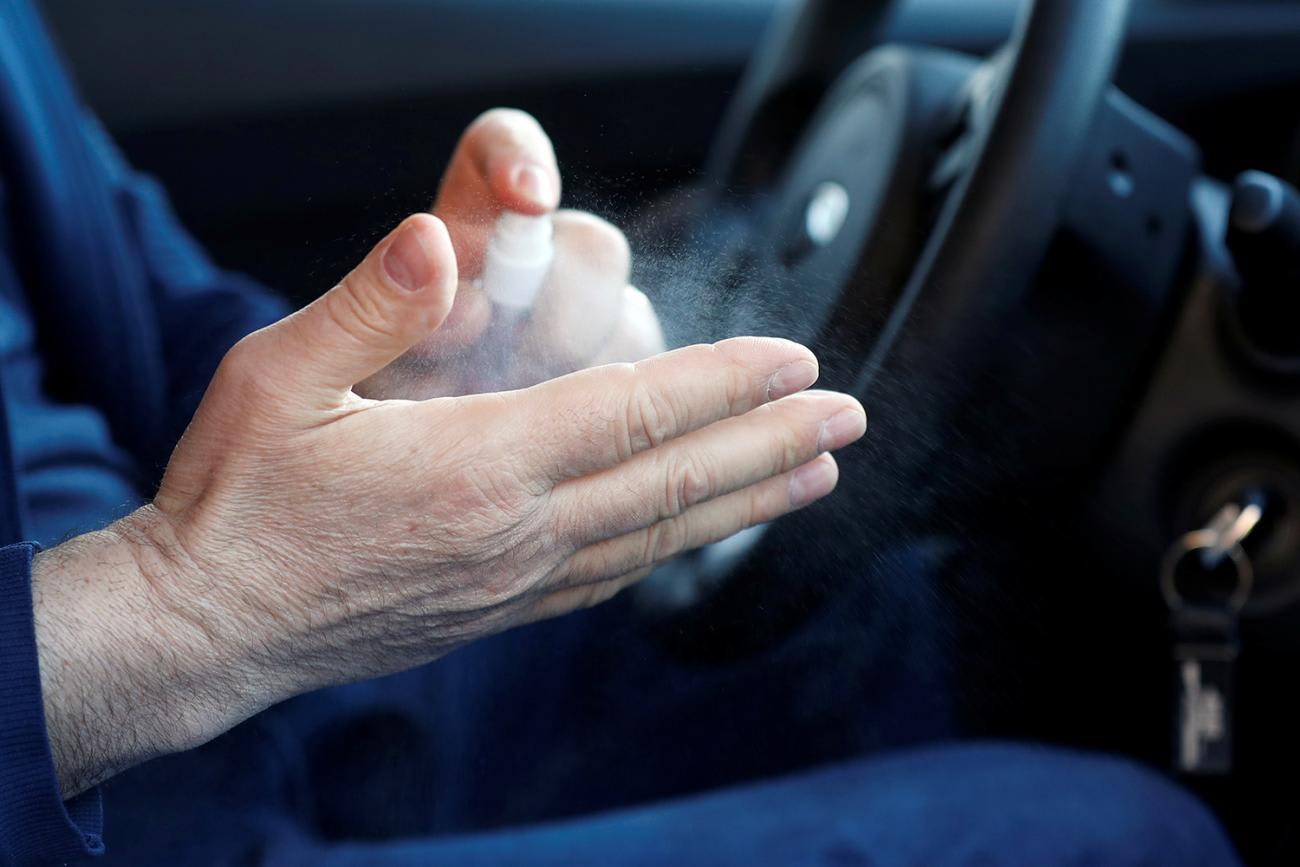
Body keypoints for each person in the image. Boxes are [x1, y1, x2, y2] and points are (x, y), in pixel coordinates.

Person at [0, 0, 1244, 864]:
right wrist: (198, 610)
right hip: (122, 781)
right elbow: (182, 609)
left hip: (222, 695)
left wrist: (426, 367)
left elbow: (138, 304)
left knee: (880, 595)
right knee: (1140, 840)